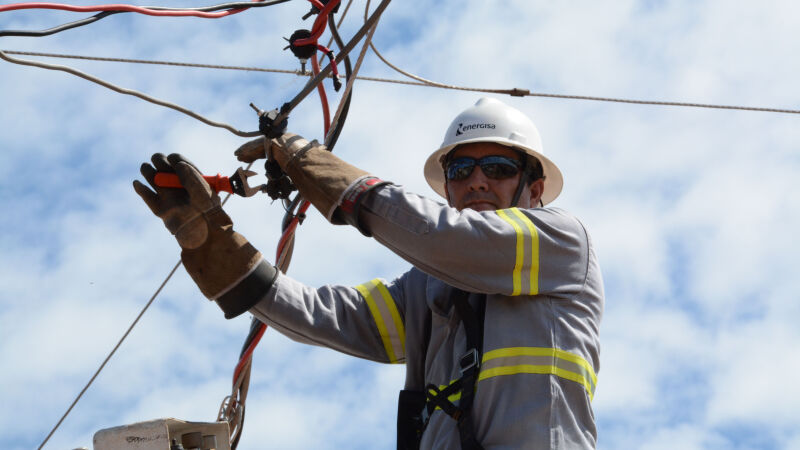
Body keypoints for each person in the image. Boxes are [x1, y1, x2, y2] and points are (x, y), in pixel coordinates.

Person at [133, 97, 604, 449]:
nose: (477, 180)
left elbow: (442, 237)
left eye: (498, 167)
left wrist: (312, 163)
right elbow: (326, 316)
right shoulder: (427, 288)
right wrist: (217, 249)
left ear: (536, 188)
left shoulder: (560, 243)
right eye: (461, 169)